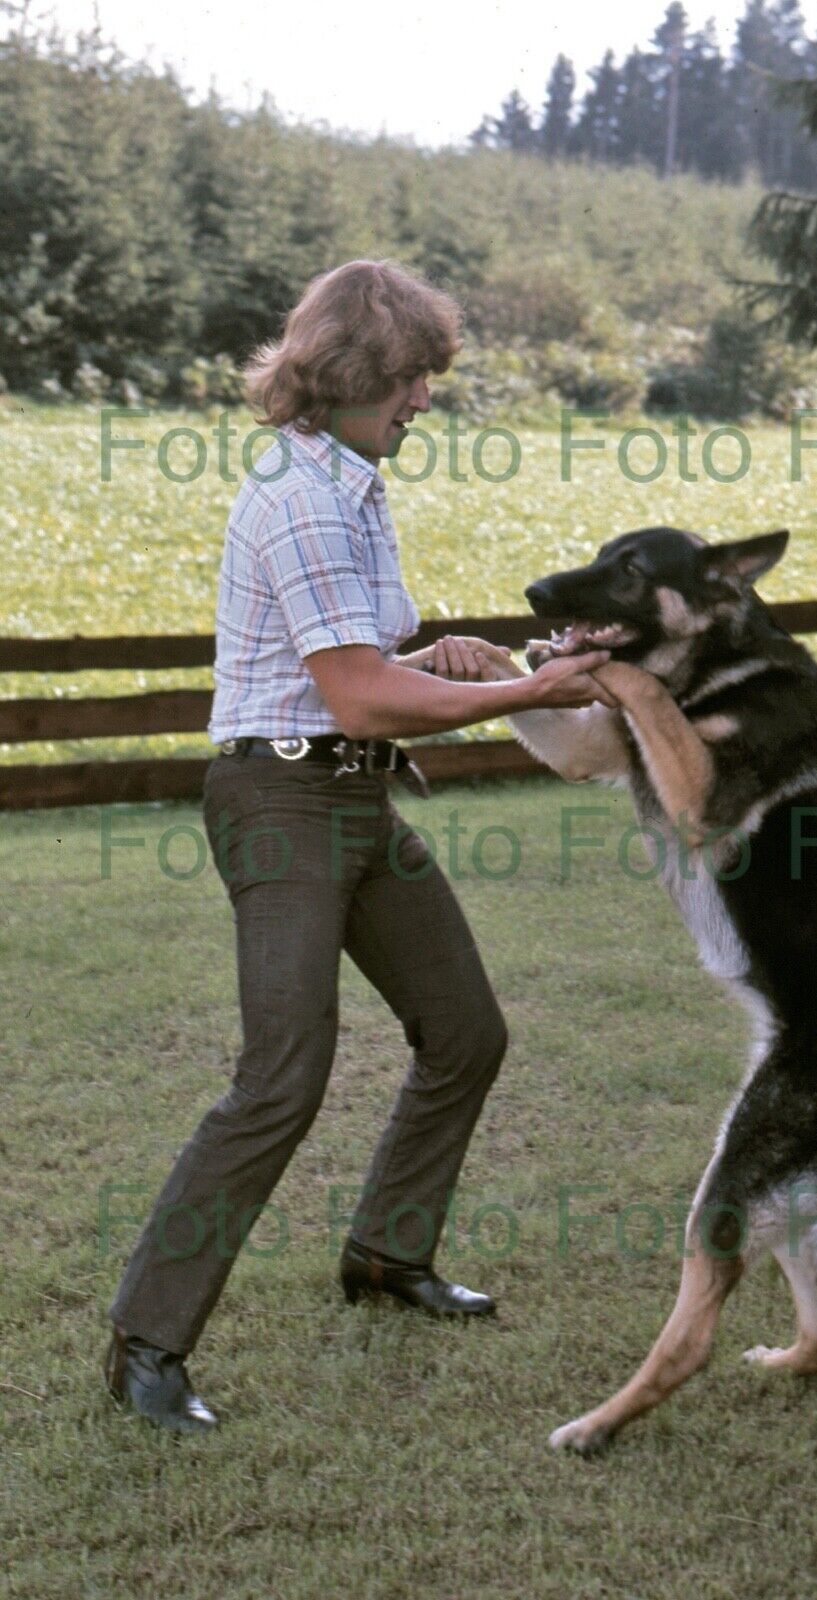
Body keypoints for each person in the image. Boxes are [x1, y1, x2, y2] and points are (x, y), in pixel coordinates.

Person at [104, 259, 614, 1431]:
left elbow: (364, 669)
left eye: (429, 375)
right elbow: (355, 698)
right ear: (341, 376)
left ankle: (386, 1255)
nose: (425, 399)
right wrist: (537, 686)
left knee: (465, 1031)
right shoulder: (302, 495)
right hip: (279, 804)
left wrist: (441, 662)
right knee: (282, 1074)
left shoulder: (350, 485)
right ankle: (146, 1339)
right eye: (409, 376)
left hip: (353, 799)